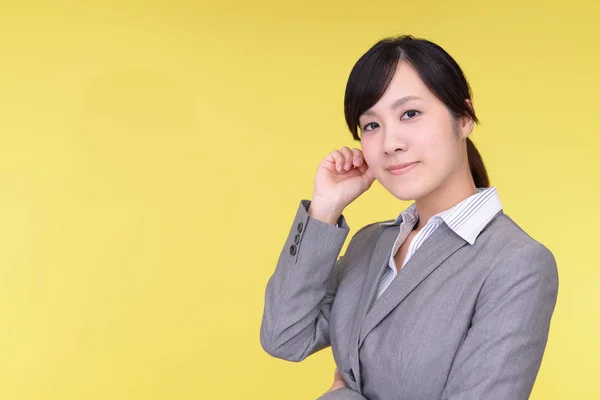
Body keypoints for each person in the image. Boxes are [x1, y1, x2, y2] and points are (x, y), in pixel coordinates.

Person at [260, 35, 559, 400]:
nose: (390, 143)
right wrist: (325, 208)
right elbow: (284, 336)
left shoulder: (516, 263)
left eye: (410, 114)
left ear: (464, 117)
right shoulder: (369, 244)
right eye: (371, 125)